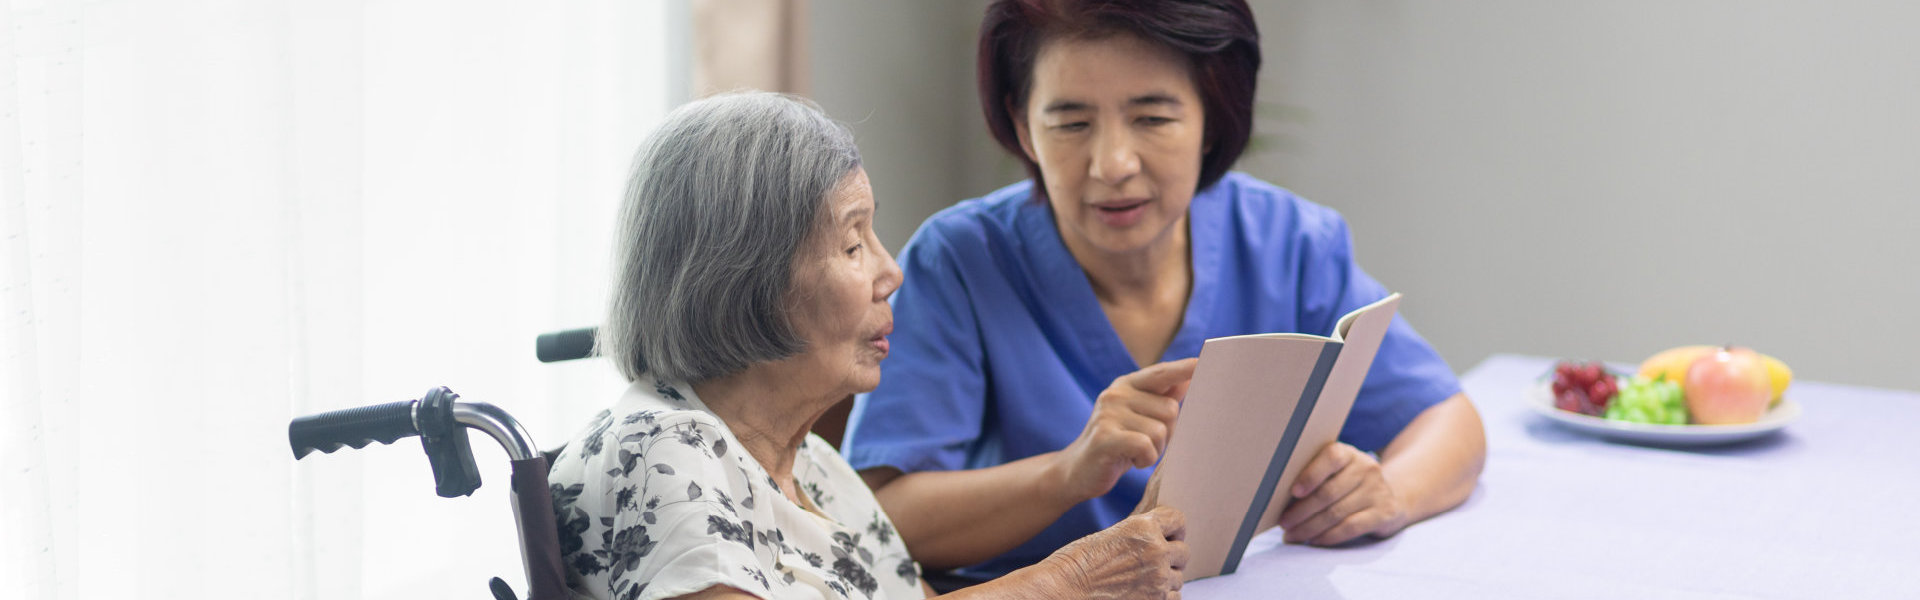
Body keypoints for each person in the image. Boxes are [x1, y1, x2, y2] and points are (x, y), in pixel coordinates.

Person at [841, 0, 1489, 586]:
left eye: (1152, 117)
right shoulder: (962, 259)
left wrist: (1388, 493)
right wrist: (1068, 473)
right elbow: (882, 517)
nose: (1113, 164)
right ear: (1021, 122)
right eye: (1071, 123)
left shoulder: (1290, 242)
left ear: (1213, 117)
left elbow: (1445, 418)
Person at [546, 91, 1190, 600]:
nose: (891, 272)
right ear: (746, 278)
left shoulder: (817, 471)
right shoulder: (661, 452)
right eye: (853, 244)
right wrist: (1070, 581)